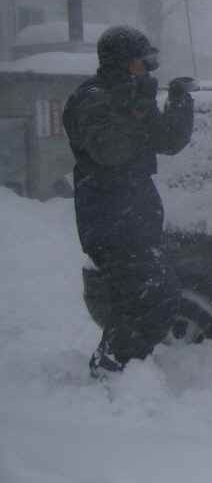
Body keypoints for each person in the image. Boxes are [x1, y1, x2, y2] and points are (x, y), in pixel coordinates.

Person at [63, 25, 195, 378]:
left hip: (136, 215)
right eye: (143, 62)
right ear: (122, 62)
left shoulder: (130, 94)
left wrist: (179, 102)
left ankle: (118, 367)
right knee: (152, 295)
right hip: (108, 219)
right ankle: (113, 367)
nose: (149, 70)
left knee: (141, 299)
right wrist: (136, 107)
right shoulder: (91, 98)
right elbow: (110, 151)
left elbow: (167, 140)